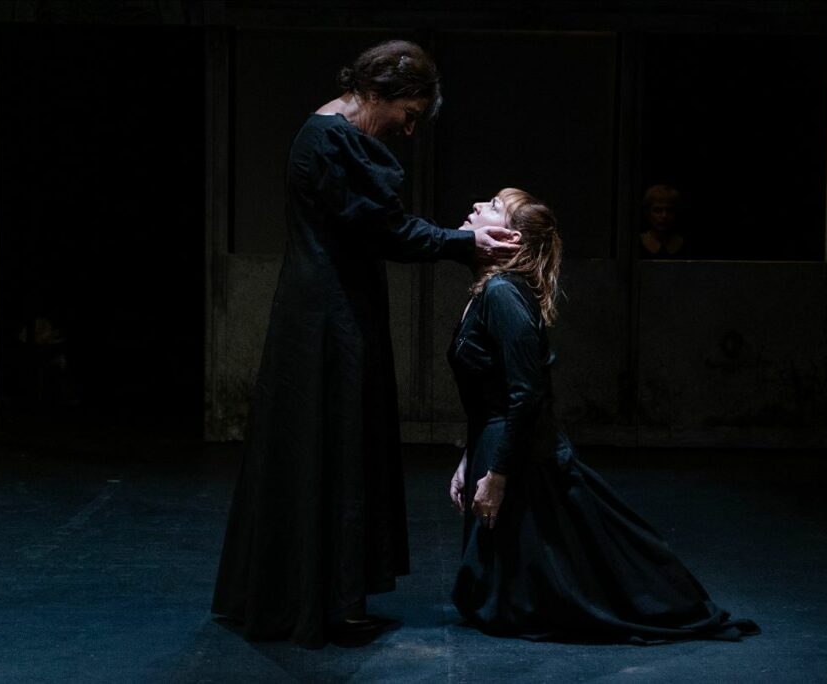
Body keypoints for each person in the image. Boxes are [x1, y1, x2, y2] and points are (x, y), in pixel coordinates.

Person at [211, 40, 517, 648]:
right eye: (408, 115)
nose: (408, 130)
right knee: (335, 441)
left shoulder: (334, 135)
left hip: (334, 303)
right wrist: (464, 244)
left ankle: (331, 594)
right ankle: (323, 600)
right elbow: (386, 229)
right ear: (380, 92)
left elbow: (375, 228)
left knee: (339, 441)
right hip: (326, 315)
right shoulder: (330, 139)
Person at [448, 188, 759, 643]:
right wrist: (469, 455)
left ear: (510, 238)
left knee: (576, 566)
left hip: (517, 452)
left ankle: (664, 603)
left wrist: (497, 474)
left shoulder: (501, 294)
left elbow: (526, 393)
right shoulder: (487, 293)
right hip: (495, 443)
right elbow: (488, 393)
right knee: (515, 588)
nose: (477, 206)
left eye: (494, 206)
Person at [638, 184, 686, 259]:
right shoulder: (635, 245)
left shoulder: (686, 244)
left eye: (669, 210)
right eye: (657, 210)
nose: (664, 216)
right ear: (647, 213)